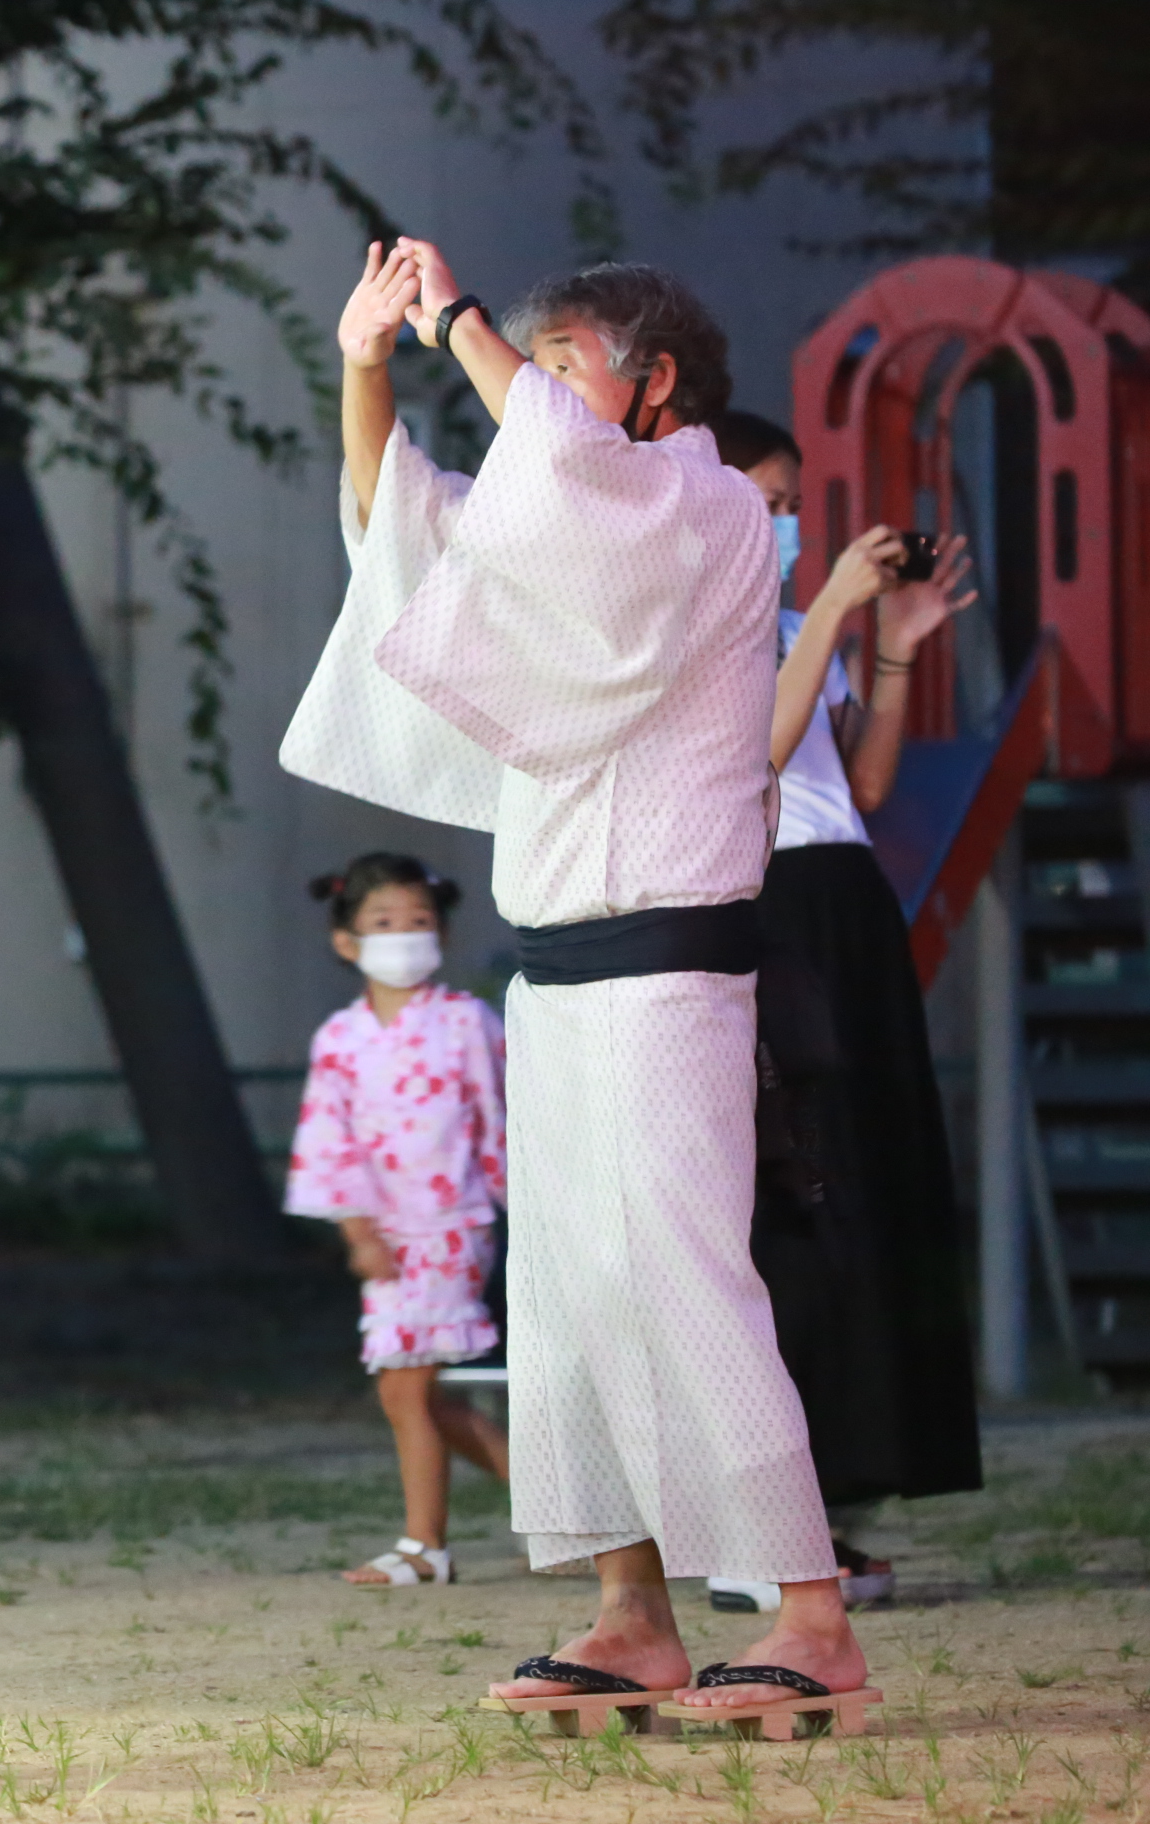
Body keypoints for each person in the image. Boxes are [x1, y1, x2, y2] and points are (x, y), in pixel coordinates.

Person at [280, 242, 866, 1716]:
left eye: (565, 367)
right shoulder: (571, 525)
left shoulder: (715, 505)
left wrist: (464, 321)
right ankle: (630, 1612)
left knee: (684, 1278)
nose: (530, 395)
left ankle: (810, 1617)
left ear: (654, 384)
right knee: (568, 1298)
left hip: (671, 964)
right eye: (525, 370)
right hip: (558, 972)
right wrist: (369, 361)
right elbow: (399, 529)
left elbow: (572, 479)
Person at [700, 410, 983, 1614]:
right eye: (762, 500)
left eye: (787, 502)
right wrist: (828, 617)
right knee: (787, 1204)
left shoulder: (775, 621)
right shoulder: (692, 628)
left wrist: (900, 643)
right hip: (762, 908)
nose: (784, 523)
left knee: (870, 1191)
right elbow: (752, 758)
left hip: (843, 897)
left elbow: (851, 783)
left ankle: (836, 1504)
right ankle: (753, 1526)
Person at [285, 852, 510, 1588]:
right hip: (384, 1234)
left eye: (418, 921)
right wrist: (357, 1233)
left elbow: (502, 1119)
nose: (403, 935)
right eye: (384, 922)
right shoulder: (340, 1038)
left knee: (407, 1389)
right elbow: (329, 1139)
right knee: (413, 1391)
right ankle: (557, 1517)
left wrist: (526, 1211)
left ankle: (425, 1547)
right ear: (347, 941)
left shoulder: (468, 1021)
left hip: (451, 1222)